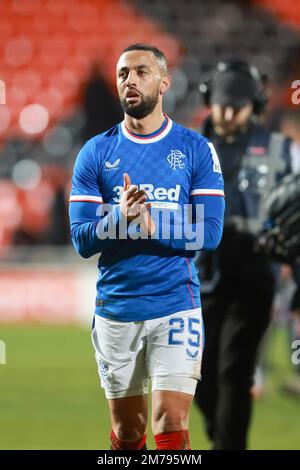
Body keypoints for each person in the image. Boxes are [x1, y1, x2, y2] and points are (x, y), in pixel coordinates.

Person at [68, 44, 225, 450]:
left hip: (176, 303)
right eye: (123, 74)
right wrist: (119, 218)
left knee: (170, 422)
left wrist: (154, 223)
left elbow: (210, 232)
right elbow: (82, 240)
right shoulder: (95, 153)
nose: (130, 80)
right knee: (128, 431)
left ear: (163, 82)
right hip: (117, 308)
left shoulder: (195, 149)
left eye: (141, 71)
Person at [194, 60, 291, 449]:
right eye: (221, 105)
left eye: (237, 106)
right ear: (209, 102)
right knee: (195, 377)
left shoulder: (282, 150)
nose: (228, 113)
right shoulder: (185, 148)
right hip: (198, 276)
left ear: (256, 106)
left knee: (234, 370)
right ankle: (225, 441)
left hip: (254, 275)